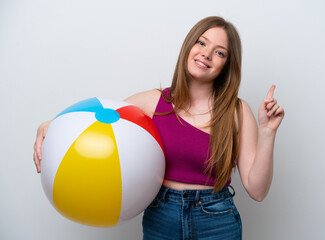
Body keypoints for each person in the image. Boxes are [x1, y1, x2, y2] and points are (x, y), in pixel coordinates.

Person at [33, 16, 284, 240]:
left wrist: (268, 132)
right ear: (189, 47)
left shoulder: (238, 112)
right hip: (162, 216)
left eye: (220, 53)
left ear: (227, 66)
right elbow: (99, 121)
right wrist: (50, 126)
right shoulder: (153, 102)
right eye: (202, 43)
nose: (207, 54)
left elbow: (257, 190)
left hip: (216, 219)